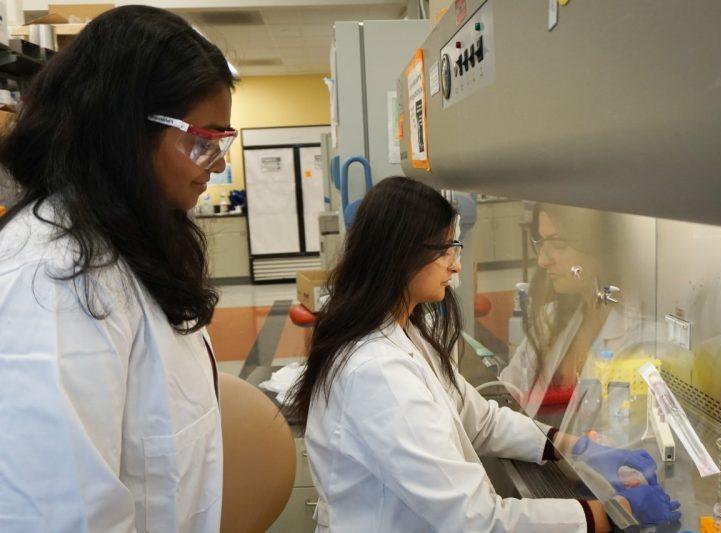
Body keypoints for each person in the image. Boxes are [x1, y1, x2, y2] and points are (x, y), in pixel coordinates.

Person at [288, 177, 680, 532]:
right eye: (446, 251)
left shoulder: (403, 332)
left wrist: (572, 446)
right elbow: (477, 522)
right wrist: (609, 513)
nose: (456, 265)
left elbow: (479, 420)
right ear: (402, 255)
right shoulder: (378, 374)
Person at [0, 6, 237, 531]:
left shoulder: (129, 236)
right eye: (204, 141)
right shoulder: (52, 278)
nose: (218, 164)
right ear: (123, 130)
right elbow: (61, 514)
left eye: (223, 141)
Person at [500, 203, 650, 415]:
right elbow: (508, 391)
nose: (543, 261)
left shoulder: (639, 336)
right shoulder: (551, 318)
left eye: (558, 245)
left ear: (600, 246)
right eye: (541, 244)